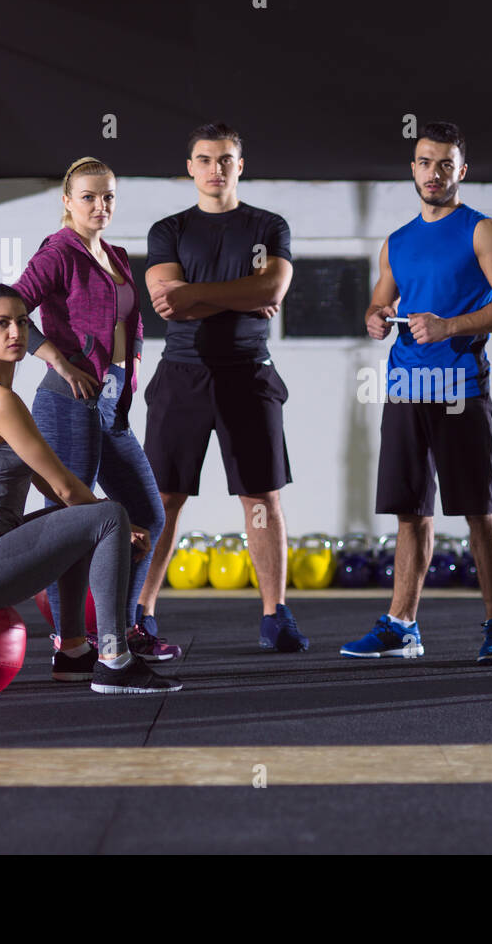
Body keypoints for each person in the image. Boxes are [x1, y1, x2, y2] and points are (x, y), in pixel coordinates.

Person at [0, 282, 181, 695]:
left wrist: (91, 516)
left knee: (79, 517)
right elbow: (62, 482)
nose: (16, 333)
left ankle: (73, 652)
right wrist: (120, 526)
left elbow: (52, 483)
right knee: (110, 514)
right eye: (2, 323)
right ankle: (114, 660)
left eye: (23, 322)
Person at [341, 121, 492, 664]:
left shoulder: (483, 230)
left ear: (461, 171)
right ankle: (402, 626)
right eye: (425, 162)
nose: (433, 172)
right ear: (413, 167)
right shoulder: (397, 241)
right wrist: (375, 320)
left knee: (477, 509)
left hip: (460, 389)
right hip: (404, 387)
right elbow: (379, 305)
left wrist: (449, 326)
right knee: (410, 513)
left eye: (445, 164)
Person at [137, 122, 309, 652]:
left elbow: (273, 286)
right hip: (182, 373)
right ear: (190, 167)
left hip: (249, 373)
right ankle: (139, 611)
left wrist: (197, 296)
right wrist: (241, 295)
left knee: (260, 496)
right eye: (205, 159)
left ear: (240, 165)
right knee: (162, 498)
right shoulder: (168, 230)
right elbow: (166, 300)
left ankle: (274, 615)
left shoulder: (268, 225)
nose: (216, 169)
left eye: (226, 159)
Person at [13, 157, 178, 664]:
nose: (100, 205)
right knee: (71, 522)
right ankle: (70, 644)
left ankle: (124, 629)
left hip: (112, 405)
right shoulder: (58, 253)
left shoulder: (116, 255)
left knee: (147, 513)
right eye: (88, 196)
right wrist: (61, 363)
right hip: (68, 404)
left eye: (107, 196)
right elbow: (11, 310)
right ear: (67, 201)